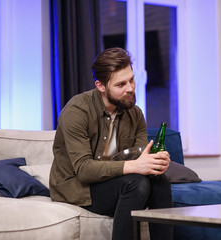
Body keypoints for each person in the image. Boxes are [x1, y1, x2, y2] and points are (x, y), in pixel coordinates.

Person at [49, 47, 173, 240]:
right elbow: (84, 170)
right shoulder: (77, 111)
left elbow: (141, 159)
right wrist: (136, 166)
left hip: (115, 181)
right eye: (121, 84)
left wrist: (155, 163)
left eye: (131, 80)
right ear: (101, 86)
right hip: (78, 187)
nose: (130, 88)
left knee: (160, 182)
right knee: (136, 183)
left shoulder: (135, 113)